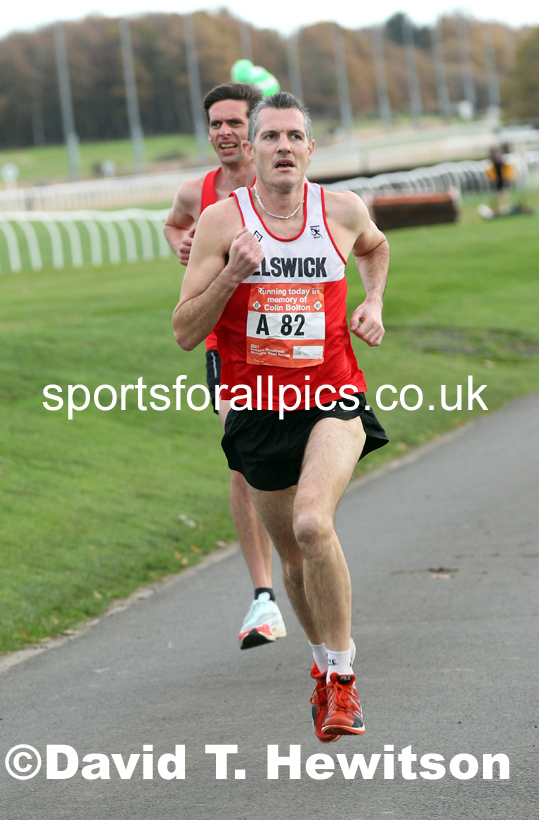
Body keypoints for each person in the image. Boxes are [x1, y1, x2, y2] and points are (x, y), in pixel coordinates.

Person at [172, 92, 389, 741]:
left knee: (311, 525)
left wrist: (373, 301)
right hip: (256, 409)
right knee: (292, 559)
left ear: (311, 149)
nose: (284, 147)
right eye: (271, 137)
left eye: (296, 136)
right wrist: (232, 273)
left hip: (332, 394)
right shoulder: (219, 222)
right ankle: (322, 673)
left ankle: (344, 680)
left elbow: (374, 249)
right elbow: (185, 332)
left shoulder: (342, 211)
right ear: (253, 148)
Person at [164, 83, 286, 651]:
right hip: (225, 339)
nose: (224, 133)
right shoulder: (198, 192)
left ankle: (304, 546)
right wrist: (184, 246)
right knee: (241, 455)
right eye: (215, 124)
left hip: (294, 337)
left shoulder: (282, 186)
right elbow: (172, 225)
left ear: (254, 128)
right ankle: (263, 595)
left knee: (297, 455)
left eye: (235, 123)